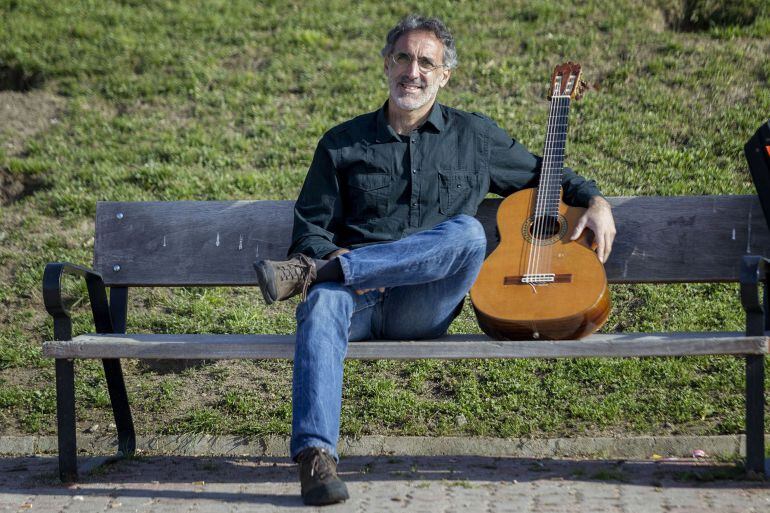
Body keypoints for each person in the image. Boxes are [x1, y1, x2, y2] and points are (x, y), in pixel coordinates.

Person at [254, 14, 616, 506]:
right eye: (404, 57)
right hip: (354, 301)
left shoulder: (475, 138)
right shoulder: (341, 144)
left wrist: (595, 201)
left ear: (444, 75)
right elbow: (311, 230)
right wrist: (323, 255)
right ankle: (316, 460)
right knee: (321, 306)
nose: (413, 71)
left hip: (424, 304)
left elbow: (544, 175)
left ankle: (327, 274)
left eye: (428, 62)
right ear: (387, 64)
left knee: (468, 233)